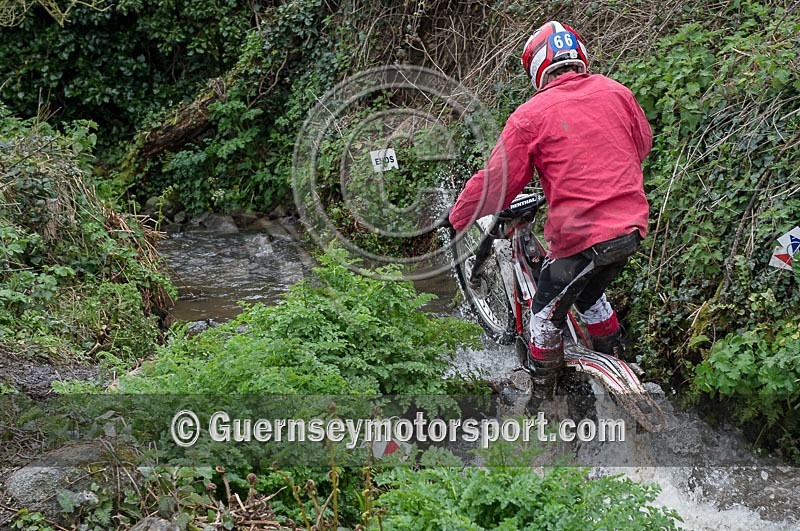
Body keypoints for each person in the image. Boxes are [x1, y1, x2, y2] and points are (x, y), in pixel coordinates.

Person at [447, 21, 652, 399]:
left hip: (582, 239)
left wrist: (458, 217)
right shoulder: (617, 92)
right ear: (580, 56)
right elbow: (641, 143)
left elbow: (499, 181)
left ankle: (546, 398)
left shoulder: (530, 115)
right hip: (630, 229)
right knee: (591, 295)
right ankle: (617, 363)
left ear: (537, 68)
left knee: (542, 318)